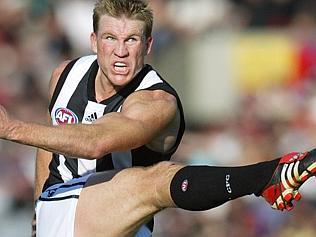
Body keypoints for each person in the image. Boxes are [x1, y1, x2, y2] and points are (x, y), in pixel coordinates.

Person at [0, 0, 314, 236]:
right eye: (110, 38)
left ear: (148, 45)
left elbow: (96, 142)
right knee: (154, 180)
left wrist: (10, 127)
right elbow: (50, 142)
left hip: (122, 223)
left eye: (132, 40)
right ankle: (267, 177)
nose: (120, 51)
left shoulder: (156, 101)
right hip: (64, 209)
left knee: (148, 183)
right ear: (94, 41)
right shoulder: (65, 74)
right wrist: (38, 214)